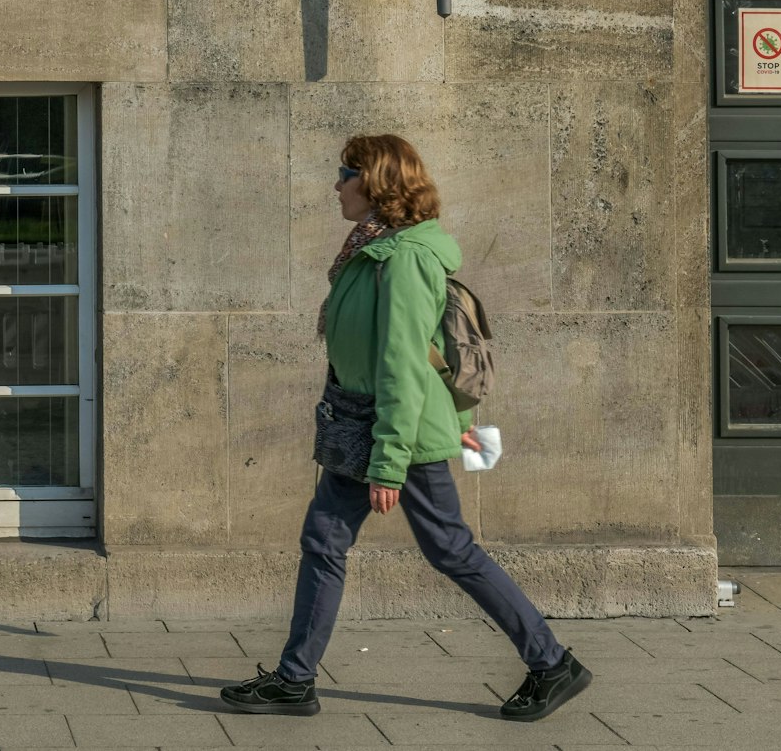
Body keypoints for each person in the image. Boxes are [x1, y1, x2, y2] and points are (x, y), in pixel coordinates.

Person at [220, 134, 591, 723]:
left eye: (346, 172)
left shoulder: (407, 258)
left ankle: (551, 663)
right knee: (325, 540)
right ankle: (294, 679)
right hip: (355, 417)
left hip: (400, 431)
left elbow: (403, 363)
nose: (336, 183)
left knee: (451, 549)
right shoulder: (373, 249)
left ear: (376, 184)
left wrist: (389, 462)